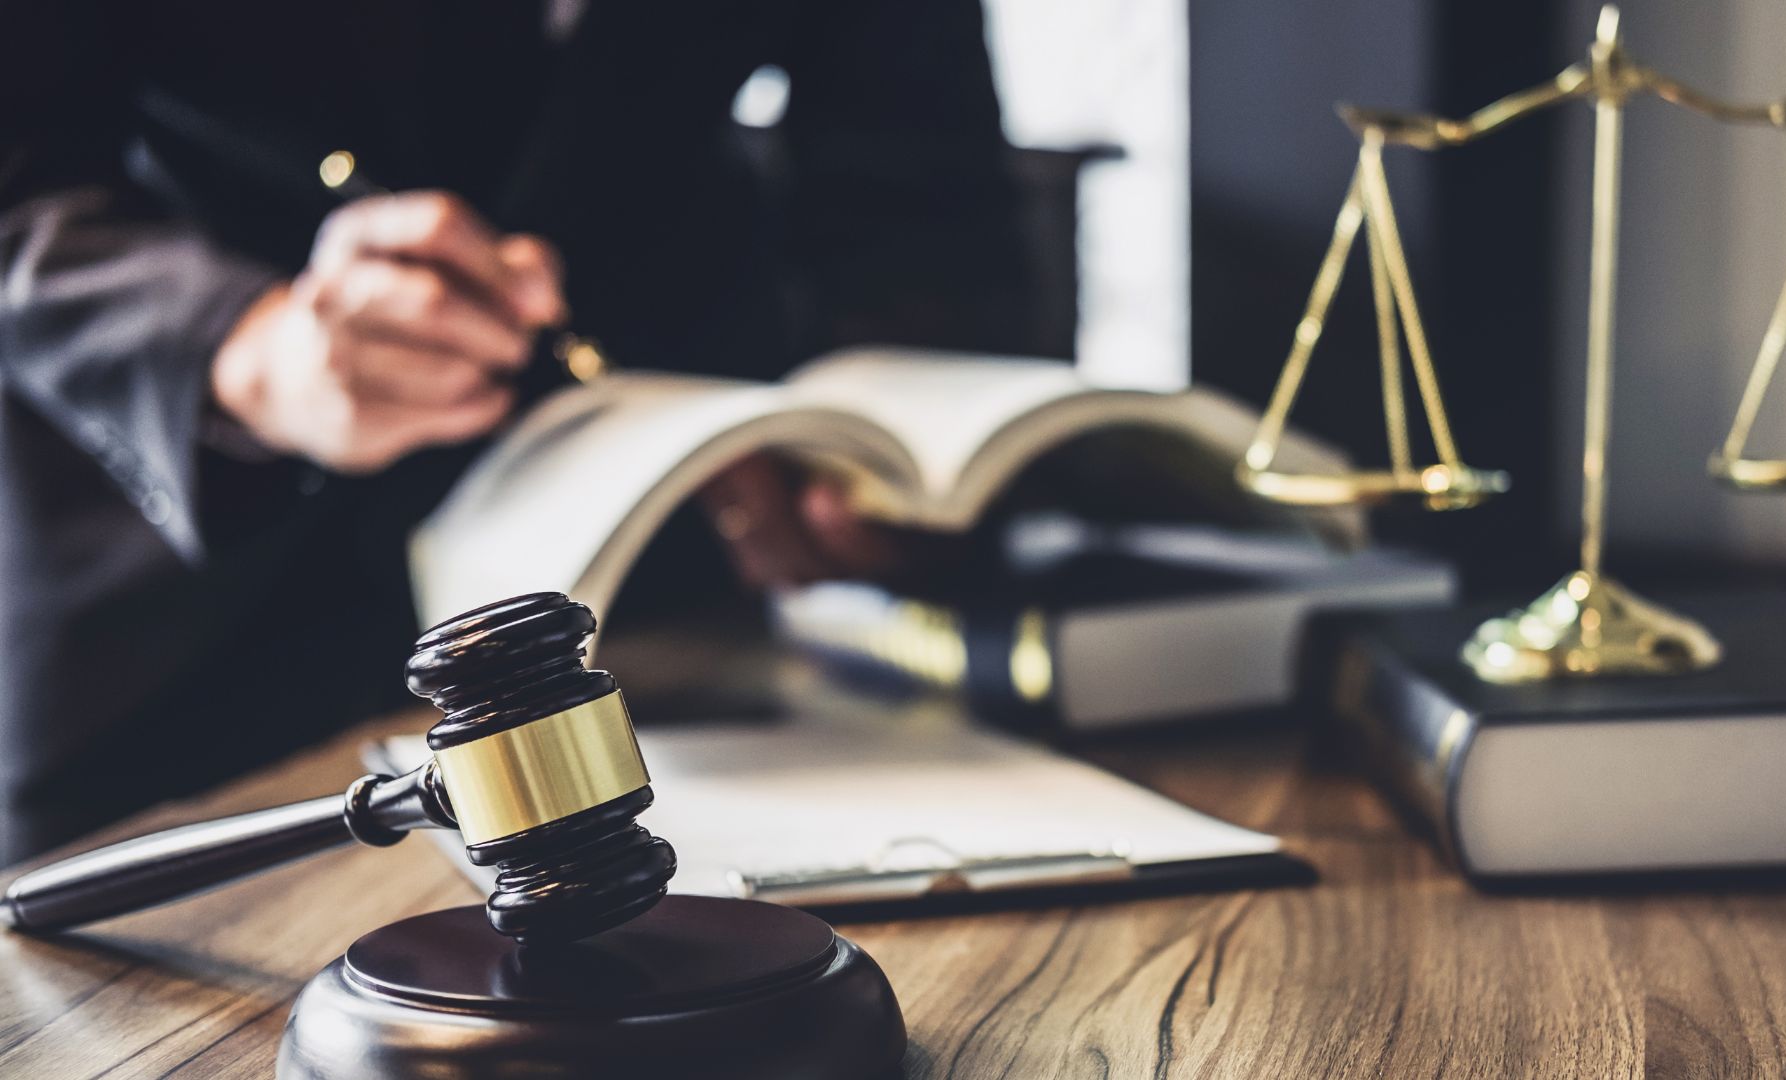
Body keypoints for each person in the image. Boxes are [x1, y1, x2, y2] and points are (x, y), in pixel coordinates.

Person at [0, 0, 1027, 861]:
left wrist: (863, 438)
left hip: (661, 615)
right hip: (186, 642)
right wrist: (239, 346)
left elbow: (918, 184)